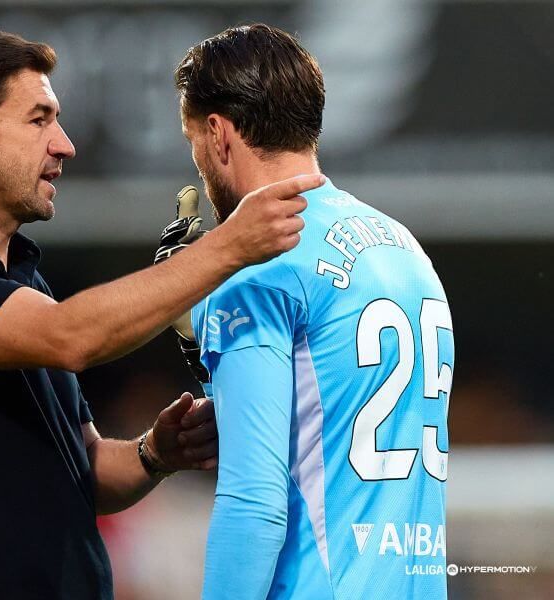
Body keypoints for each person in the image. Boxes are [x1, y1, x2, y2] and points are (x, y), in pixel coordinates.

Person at [0, 29, 323, 599]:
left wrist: (154, 454)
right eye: (39, 119)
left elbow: (85, 467)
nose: (64, 144)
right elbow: (72, 336)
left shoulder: (23, 280)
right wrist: (228, 247)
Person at [165, 23, 454, 599]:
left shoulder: (257, 266)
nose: (199, 162)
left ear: (219, 135)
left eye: (193, 141)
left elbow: (255, 502)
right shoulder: (404, 248)